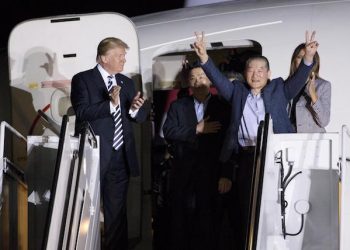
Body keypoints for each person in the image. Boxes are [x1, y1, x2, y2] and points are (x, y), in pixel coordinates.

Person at [193, 31, 319, 250]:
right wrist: (204, 57)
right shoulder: (237, 92)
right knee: (247, 209)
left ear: (268, 73)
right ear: (245, 73)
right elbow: (218, 79)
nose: (256, 74)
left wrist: (308, 58)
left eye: (261, 70)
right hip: (247, 159)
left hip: (276, 158)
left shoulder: (279, 89)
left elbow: (298, 79)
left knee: (275, 208)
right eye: (251, 70)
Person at [70, 37, 149, 250]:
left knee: (116, 215)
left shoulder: (127, 82)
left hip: (119, 157)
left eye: (124, 56)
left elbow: (139, 116)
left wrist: (135, 108)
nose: (124, 60)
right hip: (93, 157)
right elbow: (82, 112)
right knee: (87, 211)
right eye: (120, 55)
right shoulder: (82, 80)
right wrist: (111, 105)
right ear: (104, 58)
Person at [162, 63, 232, 250]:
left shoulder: (223, 106)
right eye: (193, 78)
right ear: (188, 83)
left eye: (201, 76)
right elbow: (168, 131)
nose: (197, 81)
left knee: (210, 221)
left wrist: (226, 174)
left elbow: (229, 141)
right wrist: (196, 129)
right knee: (183, 222)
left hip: (213, 173)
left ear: (210, 79)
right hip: (184, 174)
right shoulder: (178, 106)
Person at [287, 43, 331, 132]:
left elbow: (324, 121)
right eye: (300, 57)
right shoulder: (286, 85)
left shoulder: (323, 85)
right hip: (290, 140)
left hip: (312, 142)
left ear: (313, 61)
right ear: (294, 61)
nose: (304, 60)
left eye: (307, 57)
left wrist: (313, 95)